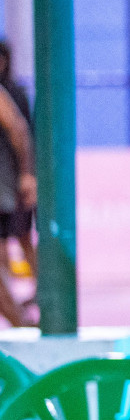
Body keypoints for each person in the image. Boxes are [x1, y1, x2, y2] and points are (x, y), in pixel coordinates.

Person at [0, 39, 36, 284]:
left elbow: (21, 133)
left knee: (19, 237)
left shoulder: (11, 92)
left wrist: (26, 174)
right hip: (11, 181)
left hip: (9, 182)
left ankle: (43, 296)